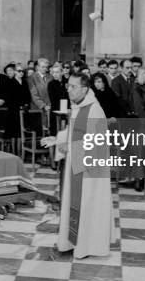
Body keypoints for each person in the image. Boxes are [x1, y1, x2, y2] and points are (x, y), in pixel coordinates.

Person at [41, 72, 116, 259]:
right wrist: (57, 138)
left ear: (84, 88)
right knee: (74, 203)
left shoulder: (94, 110)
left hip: (90, 173)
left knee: (88, 204)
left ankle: (88, 245)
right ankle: (71, 241)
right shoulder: (78, 107)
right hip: (77, 167)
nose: (68, 89)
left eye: (73, 87)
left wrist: (69, 146)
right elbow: (73, 132)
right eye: (68, 85)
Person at [4, 64, 31, 149]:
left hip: (23, 110)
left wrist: (25, 104)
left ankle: (20, 151)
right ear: (15, 71)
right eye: (19, 71)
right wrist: (18, 105)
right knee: (13, 132)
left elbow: (28, 96)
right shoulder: (9, 82)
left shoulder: (25, 82)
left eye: (22, 71)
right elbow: (8, 98)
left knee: (20, 131)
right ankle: (13, 150)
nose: (21, 73)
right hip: (13, 111)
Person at [47, 64, 68, 135]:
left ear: (62, 72)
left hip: (66, 111)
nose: (55, 74)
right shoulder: (51, 84)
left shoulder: (67, 82)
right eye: (53, 72)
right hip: (56, 111)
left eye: (57, 72)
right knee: (56, 134)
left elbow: (69, 96)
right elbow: (53, 100)